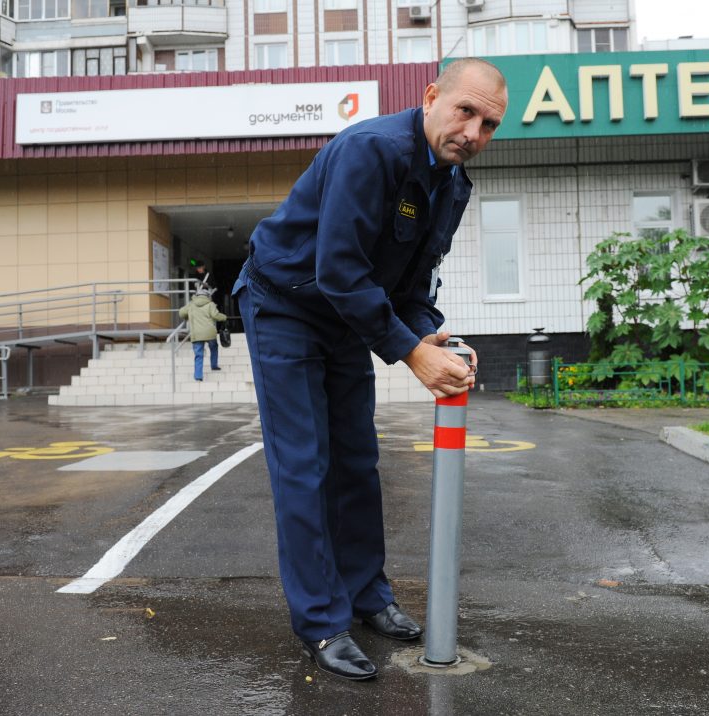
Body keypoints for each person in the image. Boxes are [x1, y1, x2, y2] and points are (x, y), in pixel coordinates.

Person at [232, 58, 508, 681]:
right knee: (305, 463)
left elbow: (410, 281)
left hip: (346, 315)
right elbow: (339, 271)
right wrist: (412, 354)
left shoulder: (453, 184)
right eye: (465, 111)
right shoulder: (371, 151)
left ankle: (368, 597)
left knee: (357, 458)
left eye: (489, 124)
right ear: (432, 97)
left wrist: (430, 331)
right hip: (286, 303)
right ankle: (322, 621)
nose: (473, 132)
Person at [178, 285, 227, 381]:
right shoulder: (210, 304)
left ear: (197, 295)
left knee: (198, 355)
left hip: (196, 334)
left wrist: (188, 315)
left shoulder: (191, 304)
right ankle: (214, 365)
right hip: (209, 332)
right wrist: (224, 317)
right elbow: (215, 315)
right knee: (214, 347)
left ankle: (198, 376)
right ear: (207, 296)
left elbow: (181, 313)